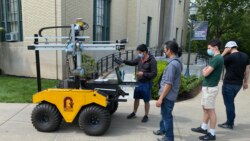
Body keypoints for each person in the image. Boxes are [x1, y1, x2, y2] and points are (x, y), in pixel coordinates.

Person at [191, 39, 224, 141]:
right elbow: (207, 70)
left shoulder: (216, 59)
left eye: (209, 48)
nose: (208, 50)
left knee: (210, 110)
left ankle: (212, 133)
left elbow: (205, 73)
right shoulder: (216, 58)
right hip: (208, 87)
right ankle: (204, 127)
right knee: (206, 108)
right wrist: (205, 69)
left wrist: (204, 70)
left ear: (216, 47)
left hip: (210, 88)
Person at [118, 44, 157, 122]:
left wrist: (143, 74)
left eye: (140, 52)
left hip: (146, 83)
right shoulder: (140, 58)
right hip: (138, 82)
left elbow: (154, 74)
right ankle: (134, 112)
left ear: (145, 52)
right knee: (136, 98)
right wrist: (123, 61)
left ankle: (146, 115)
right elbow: (132, 63)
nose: (139, 54)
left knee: (146, 100)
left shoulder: (152, 61)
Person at [154, 41, 182, 141]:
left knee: (167, 117)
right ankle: (163, 131)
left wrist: (160, 98)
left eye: (165, 49)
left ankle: (169, 138)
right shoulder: (176, 62)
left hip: (167, 96)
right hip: (170, 95)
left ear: (169, 50)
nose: (164, 51)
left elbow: (168, 84)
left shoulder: (172, 65)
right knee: (165, 115)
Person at [218, 41, 250, 129]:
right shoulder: (245, 56)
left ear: (229, 48)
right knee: (230, 102)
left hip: (228, 84)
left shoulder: (229, 57)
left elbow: (217, 60)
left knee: (229, 104)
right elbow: (247, 70)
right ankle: (229, 121)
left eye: (226, 48)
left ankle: (229, 123)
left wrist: (224, 52)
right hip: (238, 84)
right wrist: (245, 82)